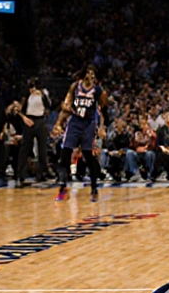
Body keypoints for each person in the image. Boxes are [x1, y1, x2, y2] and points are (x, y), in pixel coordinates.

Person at [52, 66, 109, 202]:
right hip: (75, 122)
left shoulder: (98, 91)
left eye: (93, 74)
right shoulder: (75, 87)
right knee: (65, 154)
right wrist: (58, 123)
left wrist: (102, 127)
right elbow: (65, 106)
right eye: (89, 73)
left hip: (89, 123)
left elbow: (104, 111)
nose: (92, 76)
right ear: (84, 75)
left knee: (88, 156)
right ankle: (63, 187)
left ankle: (94, 188)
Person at [15, 78, 53, 186]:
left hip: (40, 120)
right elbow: (18, 109)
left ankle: (42, 174)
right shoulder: (26, 96)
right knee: (25, 148)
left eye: (33, 87)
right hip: (28, 120)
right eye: (30, 87)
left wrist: (42, 94)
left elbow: (49, 105)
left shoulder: (43, 93)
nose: (32, 89)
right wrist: (24, 118)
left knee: (42, 149)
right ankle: (21, 176)